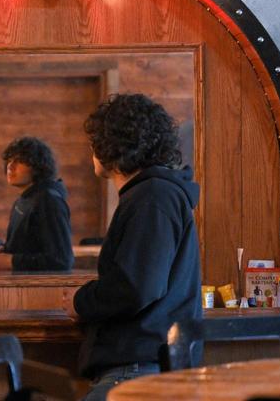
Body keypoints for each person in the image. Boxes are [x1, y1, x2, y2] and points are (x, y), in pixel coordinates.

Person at [69, 94, 201, 401]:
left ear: (109, 145)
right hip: (141, 366)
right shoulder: (151, 194)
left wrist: (80, 301)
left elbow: (137, 286)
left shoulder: (152, 197)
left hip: (138, 370)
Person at [0, 136, 74, 272]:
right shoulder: (25, 199)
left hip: (41, 290)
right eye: (9, 160)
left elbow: (61, 260)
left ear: (37, 166)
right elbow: (29, 245)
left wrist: (13, 261)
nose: (11, 166)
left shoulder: (49, 200)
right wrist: (6, 249)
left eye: (19, 161)